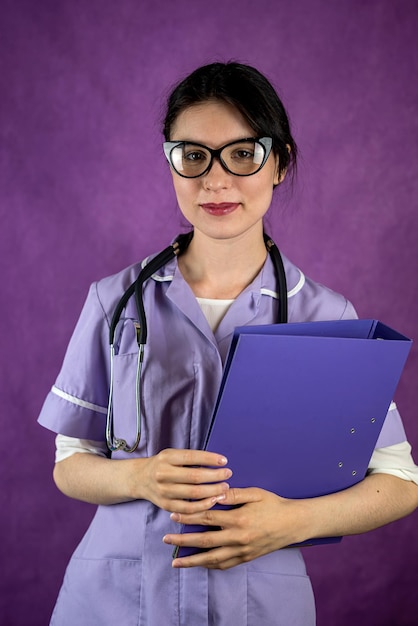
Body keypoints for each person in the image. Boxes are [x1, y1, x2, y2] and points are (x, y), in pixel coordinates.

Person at [38, 62, 418, 626]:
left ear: (280, 163)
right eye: (193, 155)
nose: (215, 181)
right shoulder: (114, 301)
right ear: (170, 163)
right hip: (114, 601)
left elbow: (399, 484)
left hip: (259, 605)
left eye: (243, 154)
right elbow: (71, 465)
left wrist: (293, 522)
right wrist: (136, 476)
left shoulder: (326, 316)